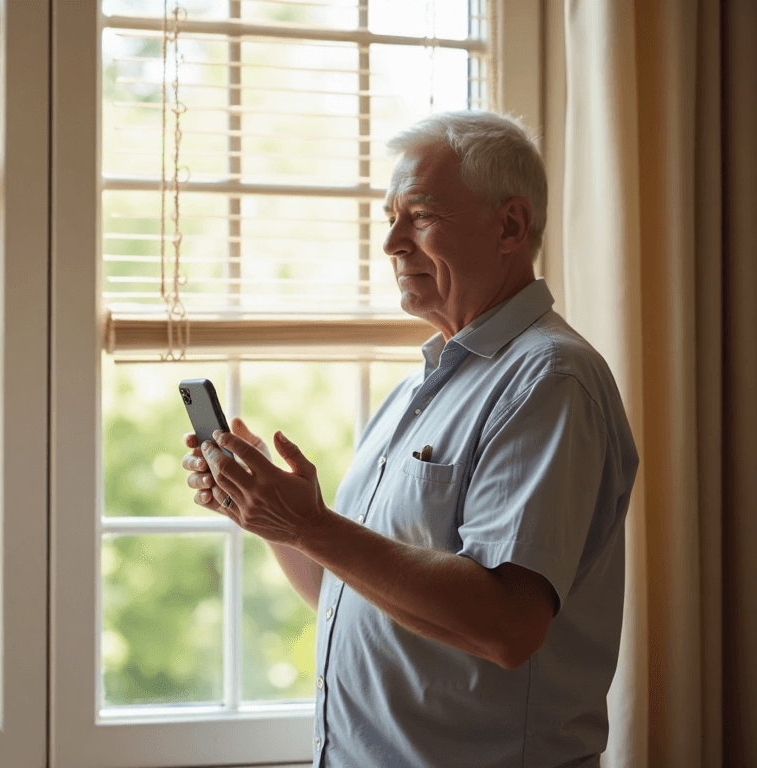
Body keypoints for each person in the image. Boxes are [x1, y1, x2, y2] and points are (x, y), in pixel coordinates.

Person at [183, 111, 638, 767]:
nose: (391, 243)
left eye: (419, 216)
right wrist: (272, 517)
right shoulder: (417, 391)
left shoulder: (550, 381)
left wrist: (310, 525)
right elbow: (353, 594)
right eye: (390, 218)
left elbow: (507, 627)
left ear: (510, 226)